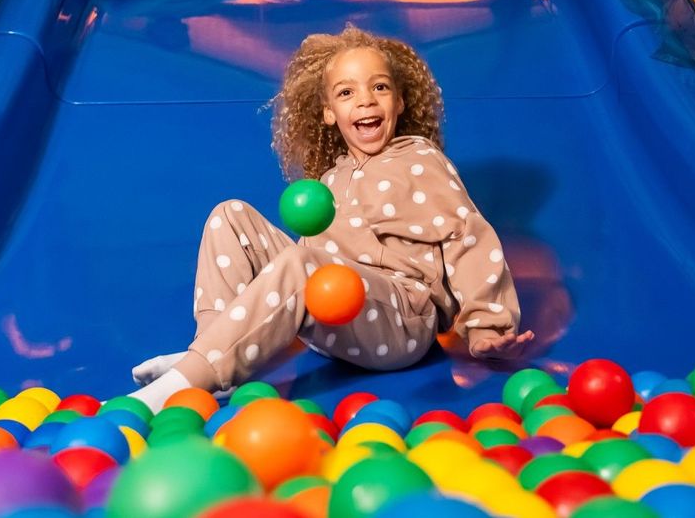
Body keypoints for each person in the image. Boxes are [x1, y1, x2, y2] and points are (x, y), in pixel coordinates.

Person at [129, 25, 533, 411]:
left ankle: (180, 384)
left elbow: (468, 237)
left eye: (380, 87)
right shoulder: (330, 178)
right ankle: (212, 358)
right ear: (327, 113)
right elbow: (314, 254)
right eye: (346, 92)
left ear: (401, 101)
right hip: (331, 310)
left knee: (305, 267)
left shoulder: (419, 159)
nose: (366, 101)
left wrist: (486, 327)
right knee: (229, 216)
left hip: (399, 320)